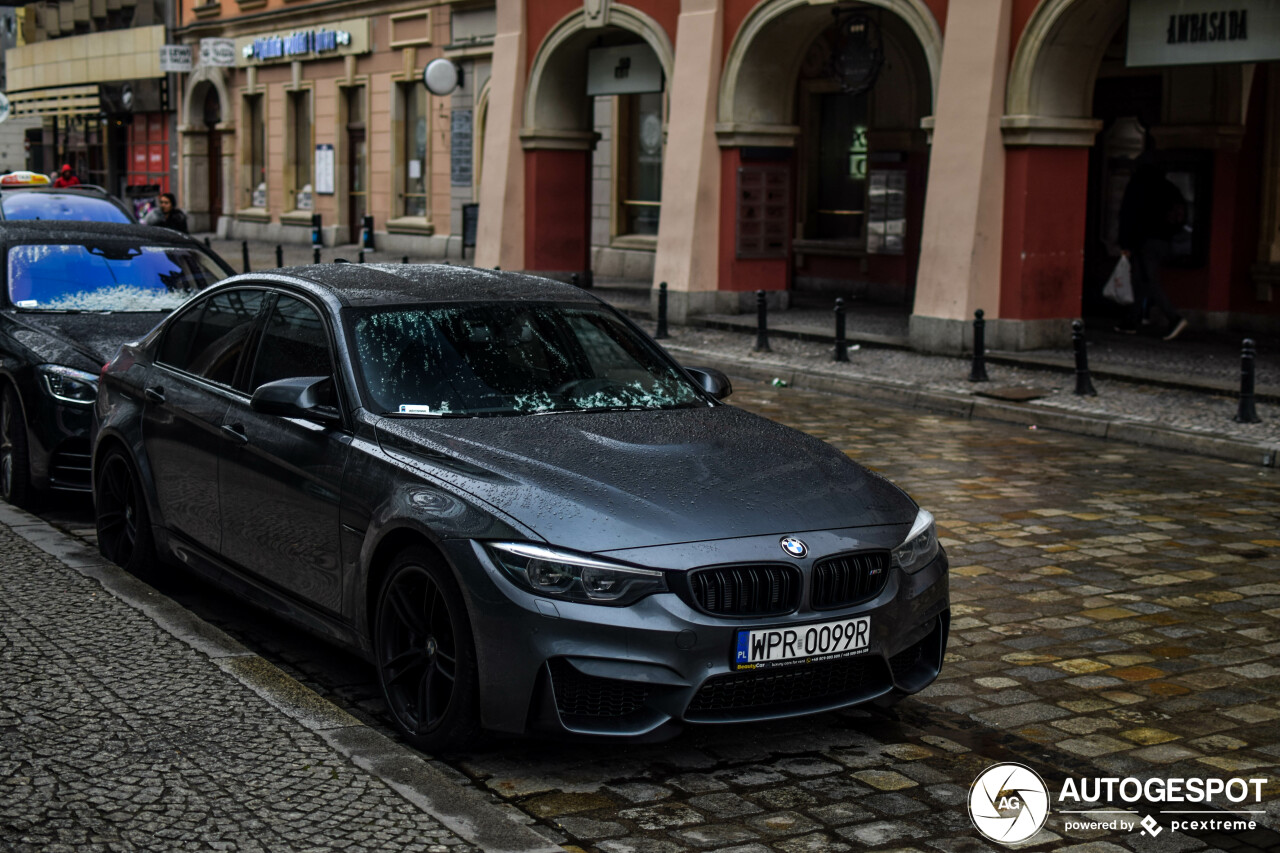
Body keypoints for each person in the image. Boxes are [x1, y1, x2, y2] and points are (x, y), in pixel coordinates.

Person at [1116, 160, 1189, 341]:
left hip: (1144, 240)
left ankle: (1174, 318)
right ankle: (1131, 321)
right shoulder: (1168, 187)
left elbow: (1128, 215)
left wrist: (1125, 243)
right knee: (1140, 280)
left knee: (1148, 280)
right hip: (1164, 241)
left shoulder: (1139, 186)